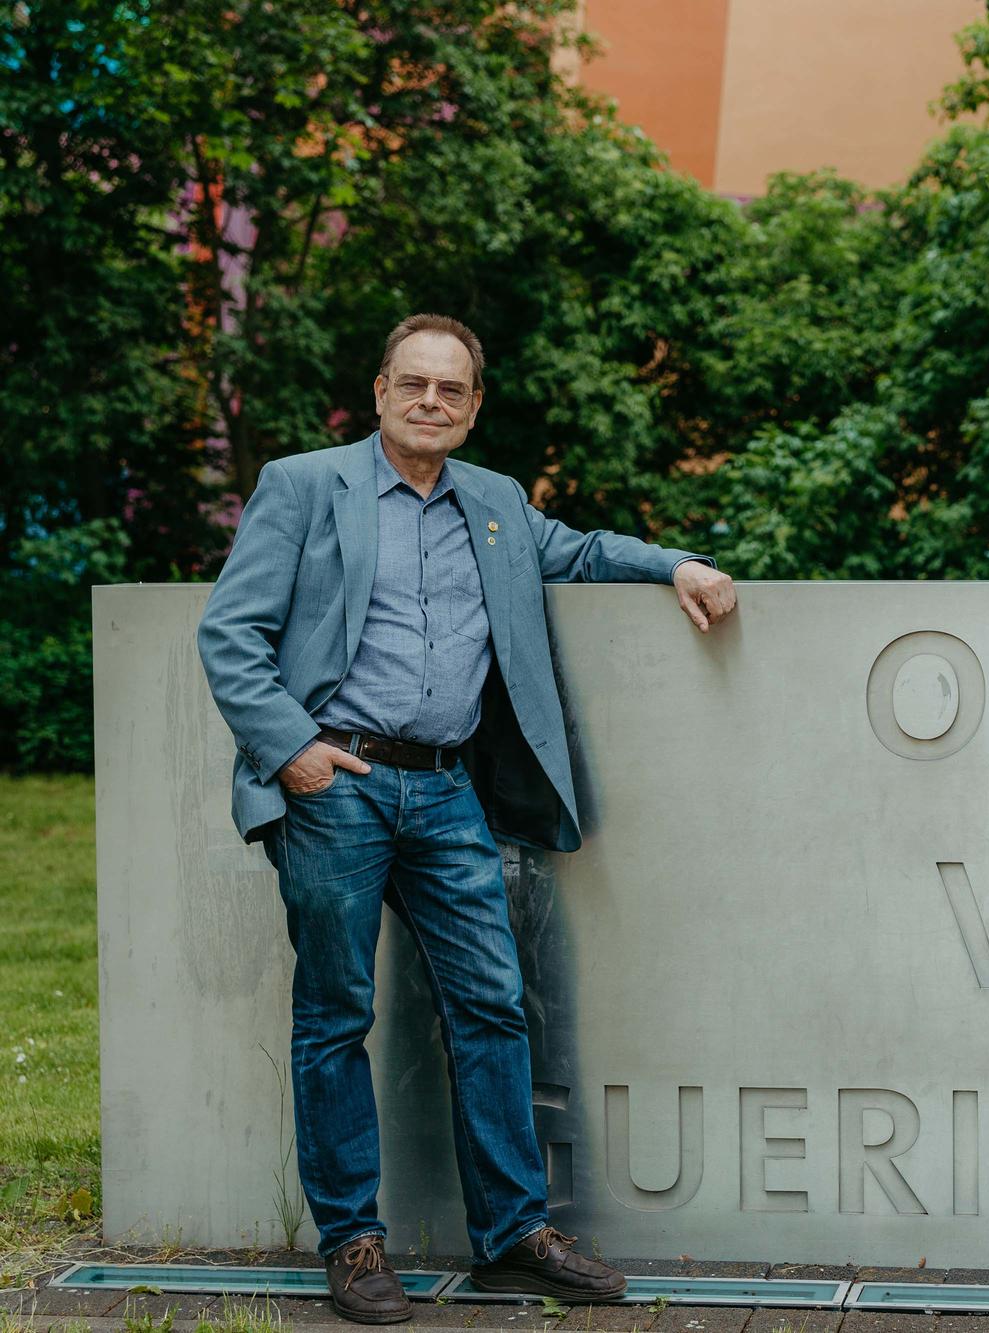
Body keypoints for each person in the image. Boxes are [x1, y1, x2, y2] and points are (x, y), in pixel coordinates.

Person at [196, 314, 737, 1324]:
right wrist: (293, 750)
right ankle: (354, 1243)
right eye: (414, 384)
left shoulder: (493, 501)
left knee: (492, 1005)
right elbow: (231, 632)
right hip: (338, 784)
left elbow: (576, 551)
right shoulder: (307, 485)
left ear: (473, 404)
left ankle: (511, 1238)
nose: (431, 402)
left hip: (448, 792)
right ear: (380, 390)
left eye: (450, 389)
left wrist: (678, 565)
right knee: (334, 1017)